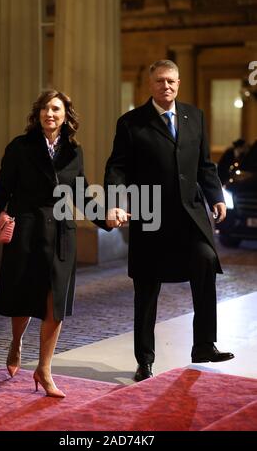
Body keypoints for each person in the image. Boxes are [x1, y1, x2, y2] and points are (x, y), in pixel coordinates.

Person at [104, 59, 234, 382]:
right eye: (161, 81)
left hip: (190, 215)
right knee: (147, 288)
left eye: (172, 81)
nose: (167, 86)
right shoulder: (131, 123)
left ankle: (204, 344)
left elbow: (205, 165)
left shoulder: (195, 117)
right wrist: (115, 202)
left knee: (206, 262)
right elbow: (117, 168)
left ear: (179, 83)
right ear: (150, 84)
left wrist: (215, 196)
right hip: (150, 215)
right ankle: (145, 360)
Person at [0, 89, 108, 397]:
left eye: (55, 109)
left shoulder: (74, 152)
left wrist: (106, 221)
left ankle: (44, 368)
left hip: (62, 235)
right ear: (38, 114)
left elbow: (81, 193)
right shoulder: (20, 148)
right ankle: (16, 343)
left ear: (66, 116)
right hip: (27, 231)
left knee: (56, 303)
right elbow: (2, 190)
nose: (49, 114)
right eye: (44, 109)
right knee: (24, 298)